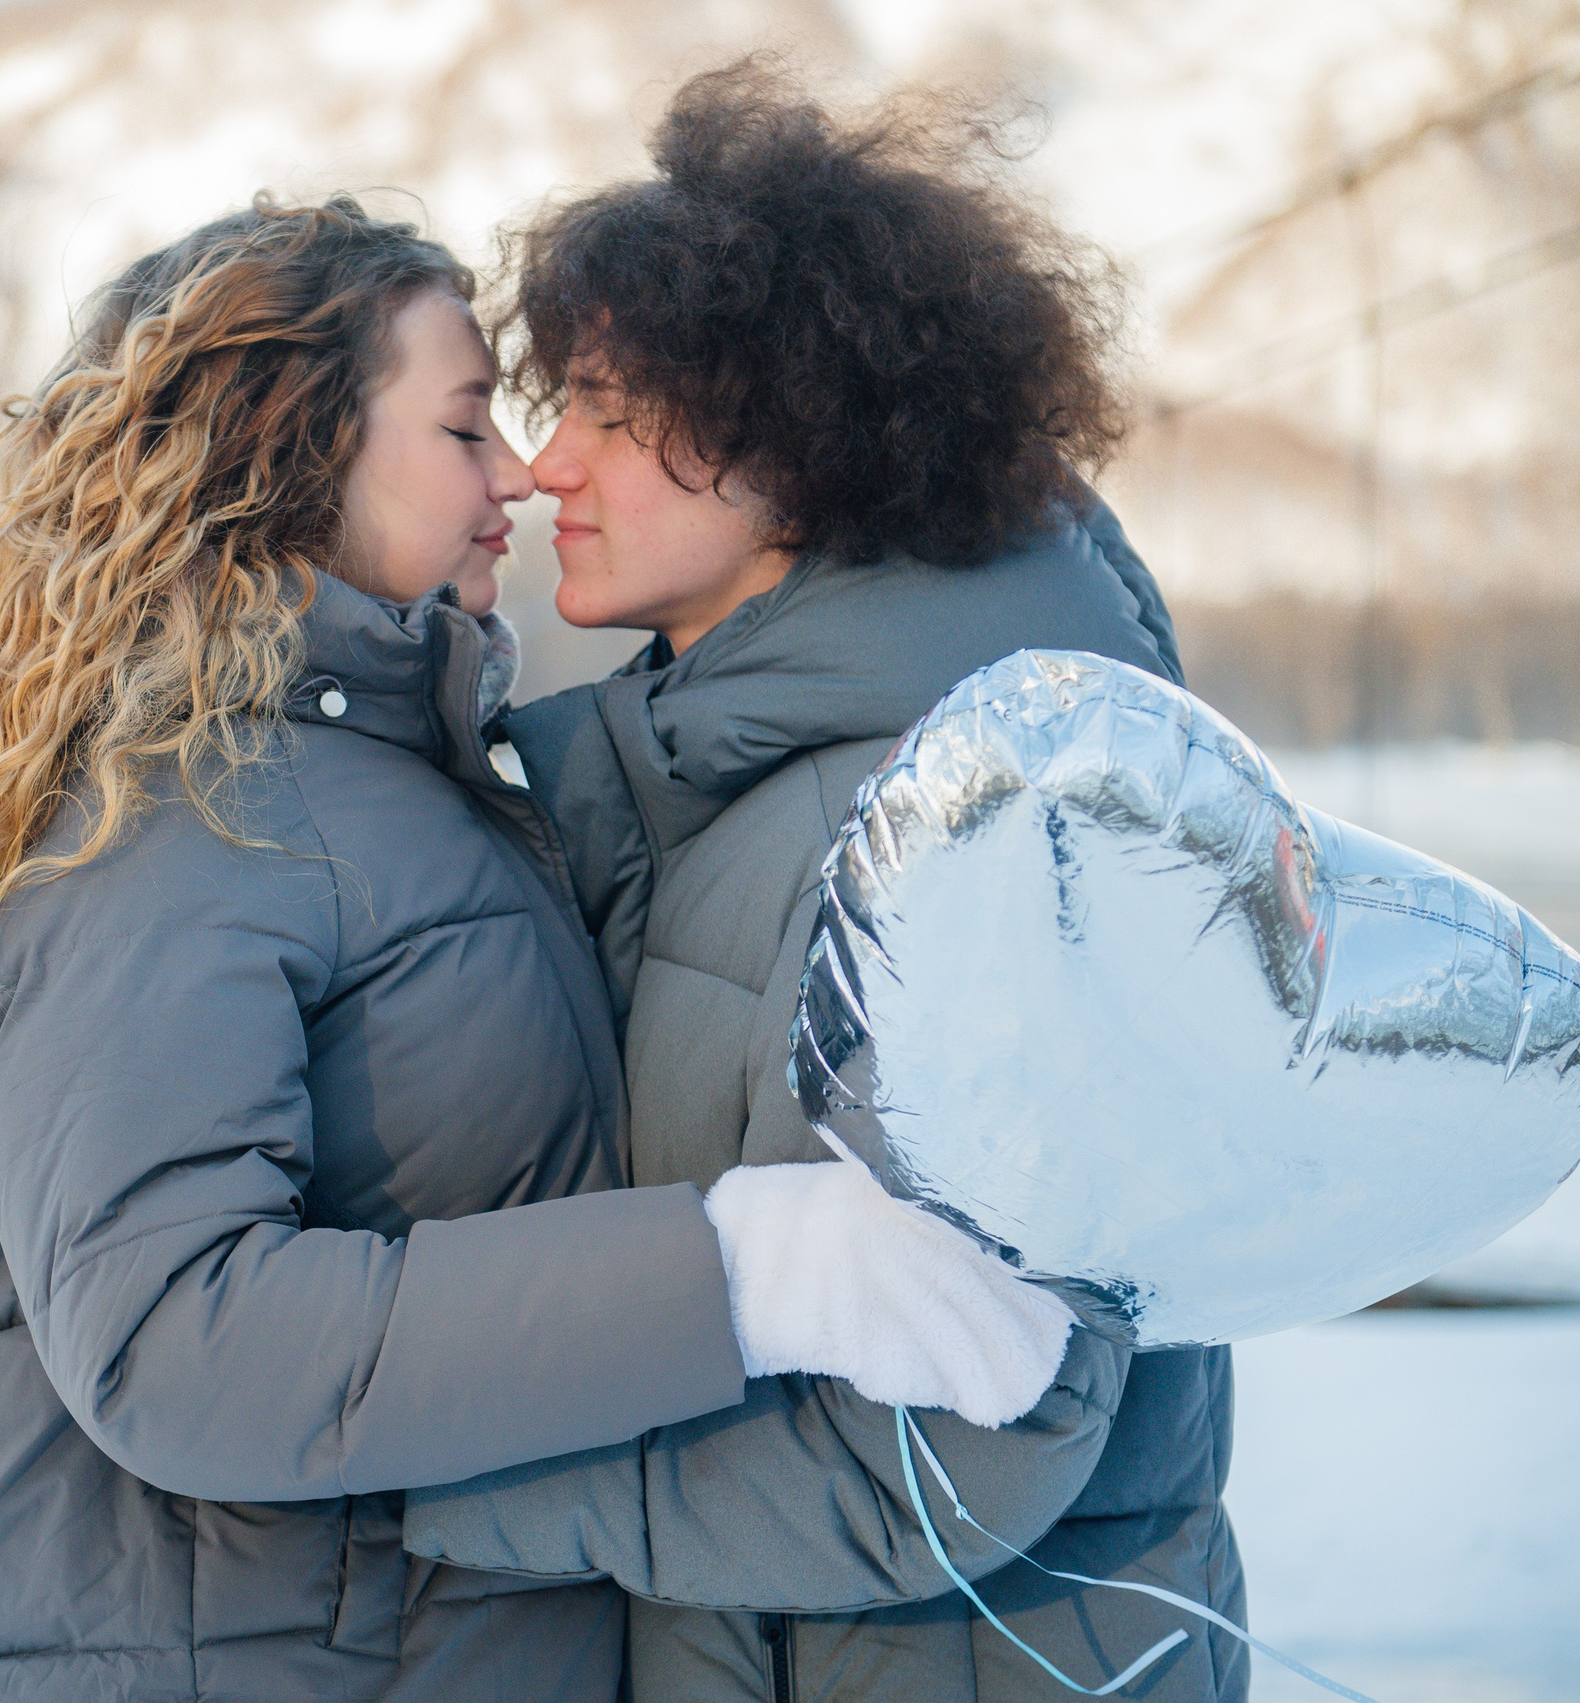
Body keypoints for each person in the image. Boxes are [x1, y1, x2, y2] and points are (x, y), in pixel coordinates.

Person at [0, 195, 1068, 1702]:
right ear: (287, 447)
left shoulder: (382, 782)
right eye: (463, 431)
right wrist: (745, 1271)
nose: (516, 475)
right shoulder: (167, 814)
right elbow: (177, 1339)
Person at [400, 63, 1245, 1703]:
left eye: (606, 408)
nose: (543, 465)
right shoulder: (710, 782)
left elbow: (952, 1455)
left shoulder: (981, 824)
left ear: (801, 431)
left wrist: (422, 1492)